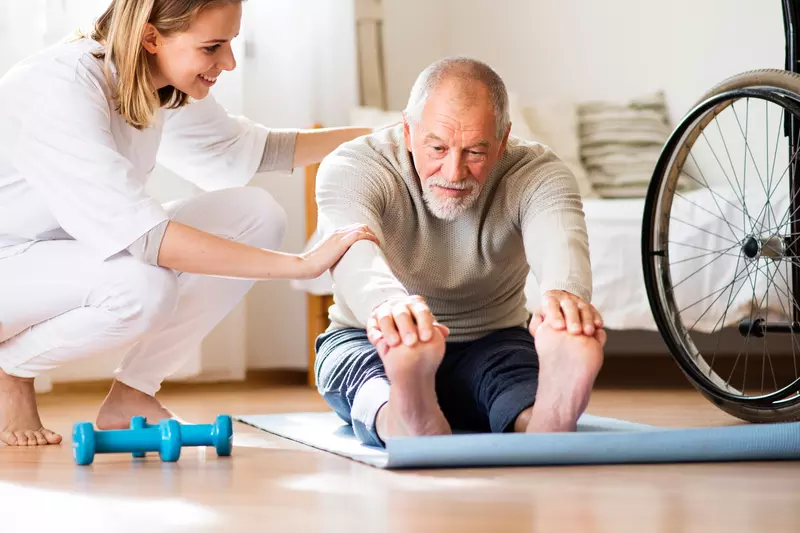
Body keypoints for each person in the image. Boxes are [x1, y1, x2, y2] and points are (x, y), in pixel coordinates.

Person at [0, 0, 379, 446]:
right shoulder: (59, 85)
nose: (229, 62)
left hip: (64, 254)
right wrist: (300, 264)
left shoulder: (154, 77)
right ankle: (10, 371)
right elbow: (143, 237)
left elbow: (247, 151)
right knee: (142, 288)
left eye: (231, 43)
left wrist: (387, 139)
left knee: (255, 215)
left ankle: (133, 394)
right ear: (151, 37)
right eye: (213, 47)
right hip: (11, 265)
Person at [313, 57, 607, 447]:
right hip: (371, 338)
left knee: (514, 377)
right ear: (407, 130)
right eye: (436, 147)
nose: (453, 172)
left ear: (503, 140)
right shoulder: (353, 165)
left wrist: (563, 302)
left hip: (492, 341)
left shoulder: (538, 173)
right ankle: (401, 414)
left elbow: (559, 239)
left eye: (475, 152)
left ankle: (547, 420)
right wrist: (391, 311)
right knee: (364, 378)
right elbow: (354, 254)